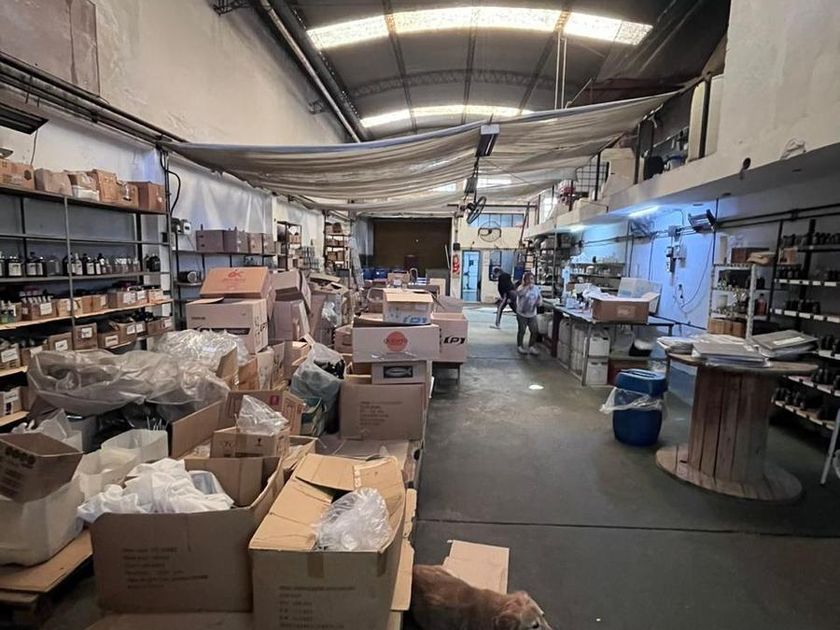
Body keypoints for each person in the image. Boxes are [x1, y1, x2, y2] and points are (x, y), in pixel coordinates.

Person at [515, 271, 542, 355]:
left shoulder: (536, 288)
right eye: (528, 279)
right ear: (525, 280)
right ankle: (520, 346)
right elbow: (520, 294)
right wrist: (527, 287)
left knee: (534, 330)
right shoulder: (521, 287)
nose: (530, 281)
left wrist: (539, 302)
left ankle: (531, 346)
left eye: (532, 279)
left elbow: (539, 298)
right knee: (522, 330)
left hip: (532, 313)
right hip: (522, 313)